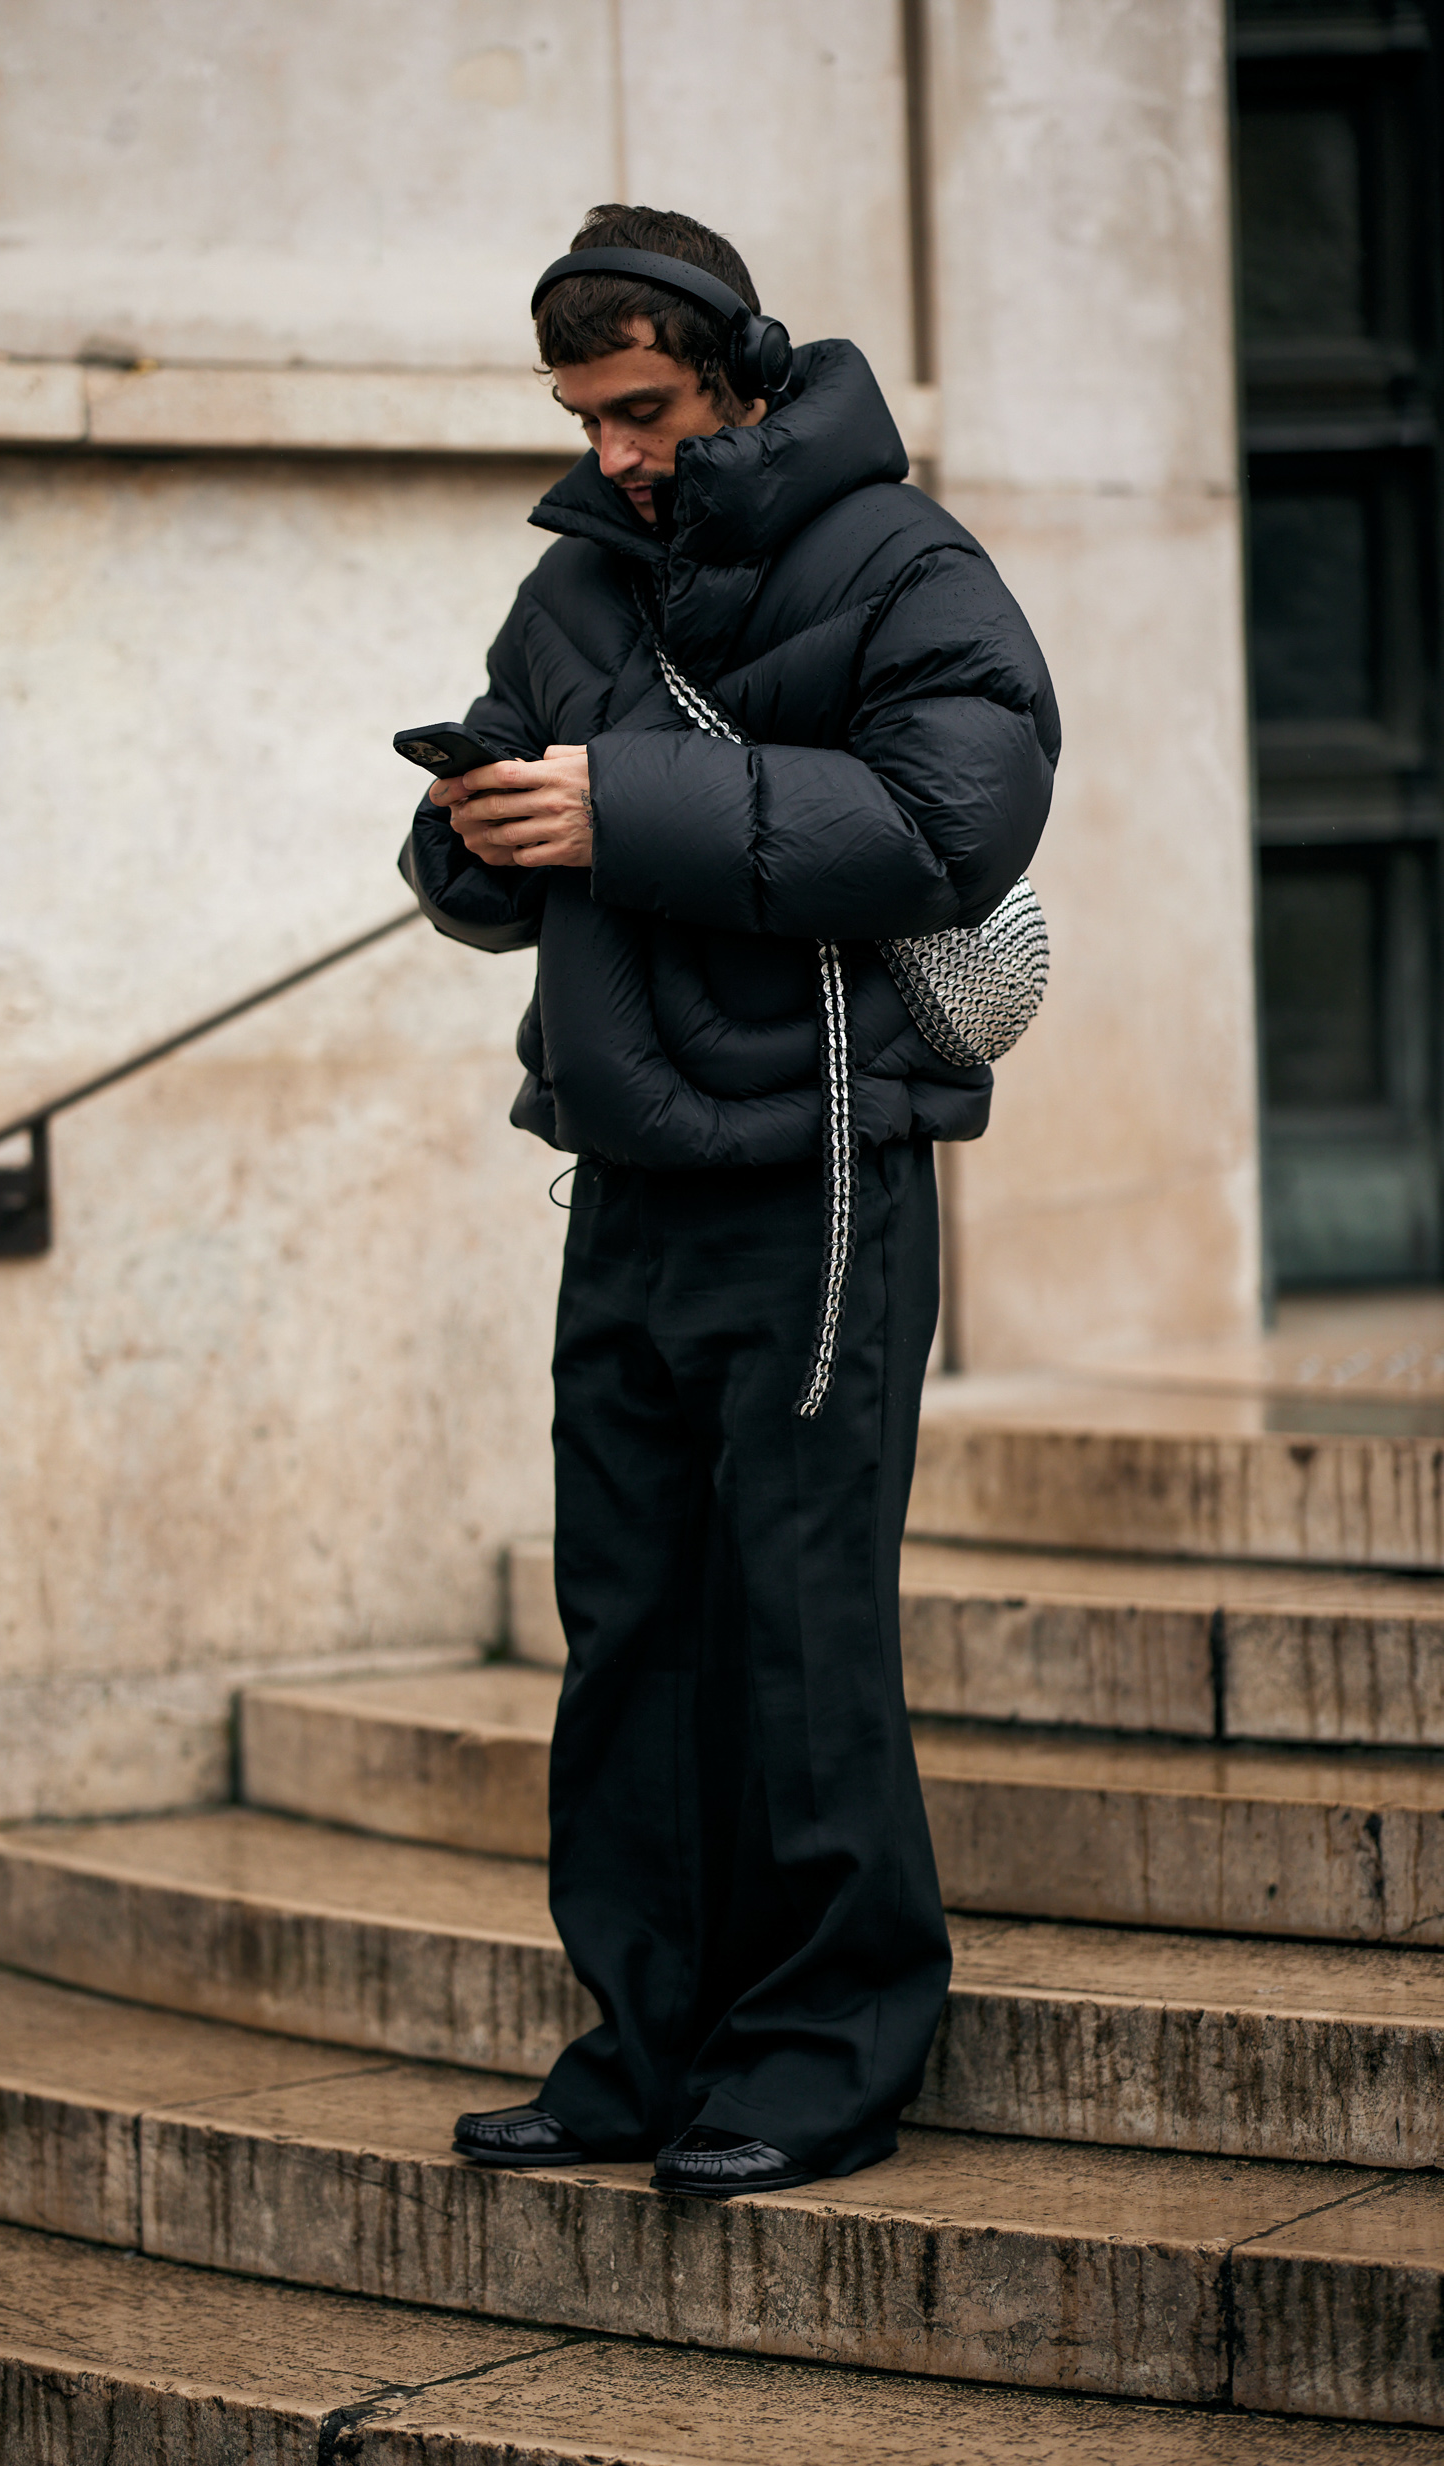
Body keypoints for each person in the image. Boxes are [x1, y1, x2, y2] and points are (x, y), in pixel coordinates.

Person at [401, 203, 1058, 2199]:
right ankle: (641, 2044)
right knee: (632, 1630)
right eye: (584, 416)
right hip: (626, 1174)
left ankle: (824, 2049)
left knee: (793, 1625)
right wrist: (481, 835)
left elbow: (954, 814)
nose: (612, 452)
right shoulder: (583, 582)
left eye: (646, 409)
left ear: (745, 371)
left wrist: (619, 805)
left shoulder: (907, 558)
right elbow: (479, 868)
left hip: (824, 1174)